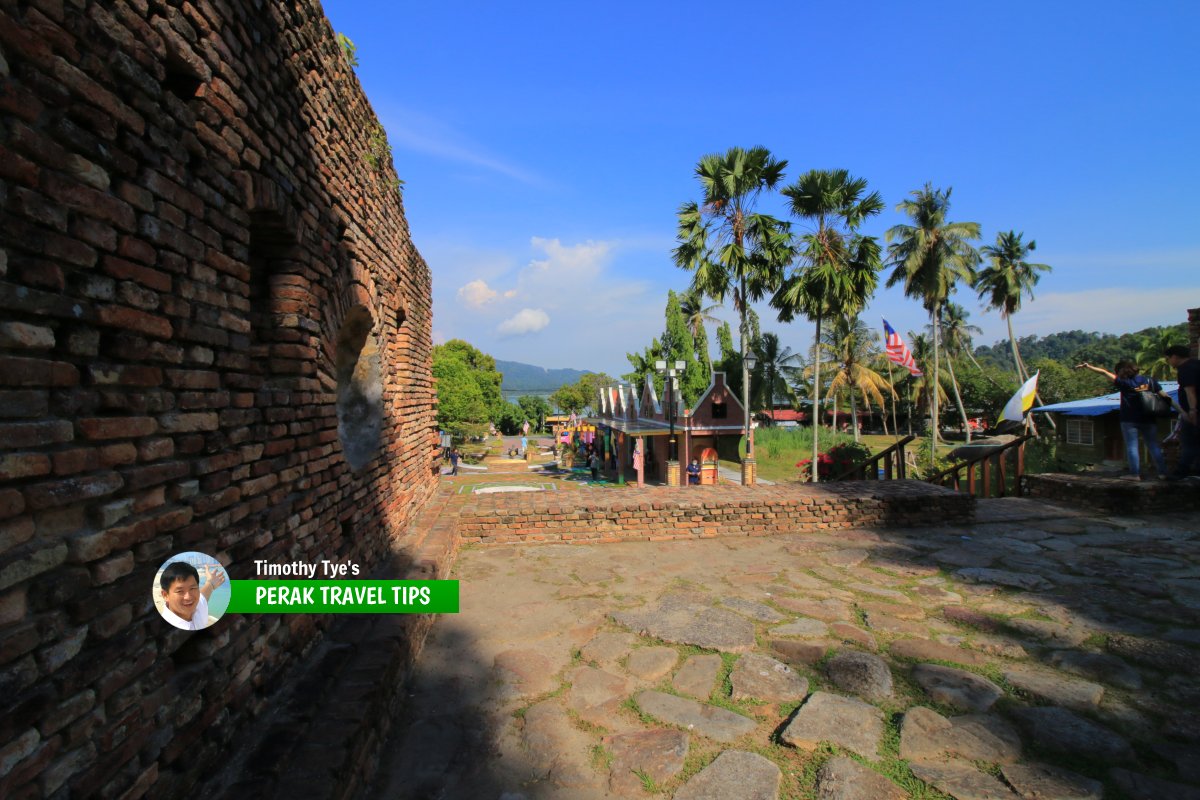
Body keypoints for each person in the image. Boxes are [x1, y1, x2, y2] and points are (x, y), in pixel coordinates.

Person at [1076, 360, 1168, 480]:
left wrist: (1088, 366)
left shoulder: (1125, 383)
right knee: (1153, 445)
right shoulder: (1150, 381)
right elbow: (1165, 396)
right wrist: (1183, 412)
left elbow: (1104, 373)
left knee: (1132, 446)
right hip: (1149, 419)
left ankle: (1135, 474)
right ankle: (1163, 473)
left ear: (1123, 371)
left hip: (1129, 419)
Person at [1164, 345, 1200, 481]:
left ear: (1175, 356)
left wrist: (1192, 410)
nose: (1168, 361)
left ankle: (1181, 472)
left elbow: (1190, 392)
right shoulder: (1197, 364)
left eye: (1168, 358)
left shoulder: (1185, 369)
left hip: (1194, 411)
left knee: (1189, 442)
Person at [159, 561, 225, 630]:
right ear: (165, 595)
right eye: (180, 591)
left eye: (192, 588)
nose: (188, 597)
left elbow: (203, 595)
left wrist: (211, 583)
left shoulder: (197, 606)